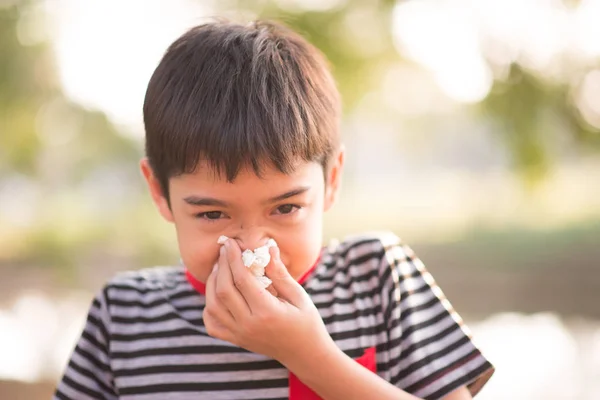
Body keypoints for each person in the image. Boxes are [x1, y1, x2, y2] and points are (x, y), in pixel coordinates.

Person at [54, 19, 494, 400]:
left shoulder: (377, 278)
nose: (252, 248)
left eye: (285, 208)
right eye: (212, 215)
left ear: (332, 180)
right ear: (159, 192)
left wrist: (310, 355)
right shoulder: (125, 315)